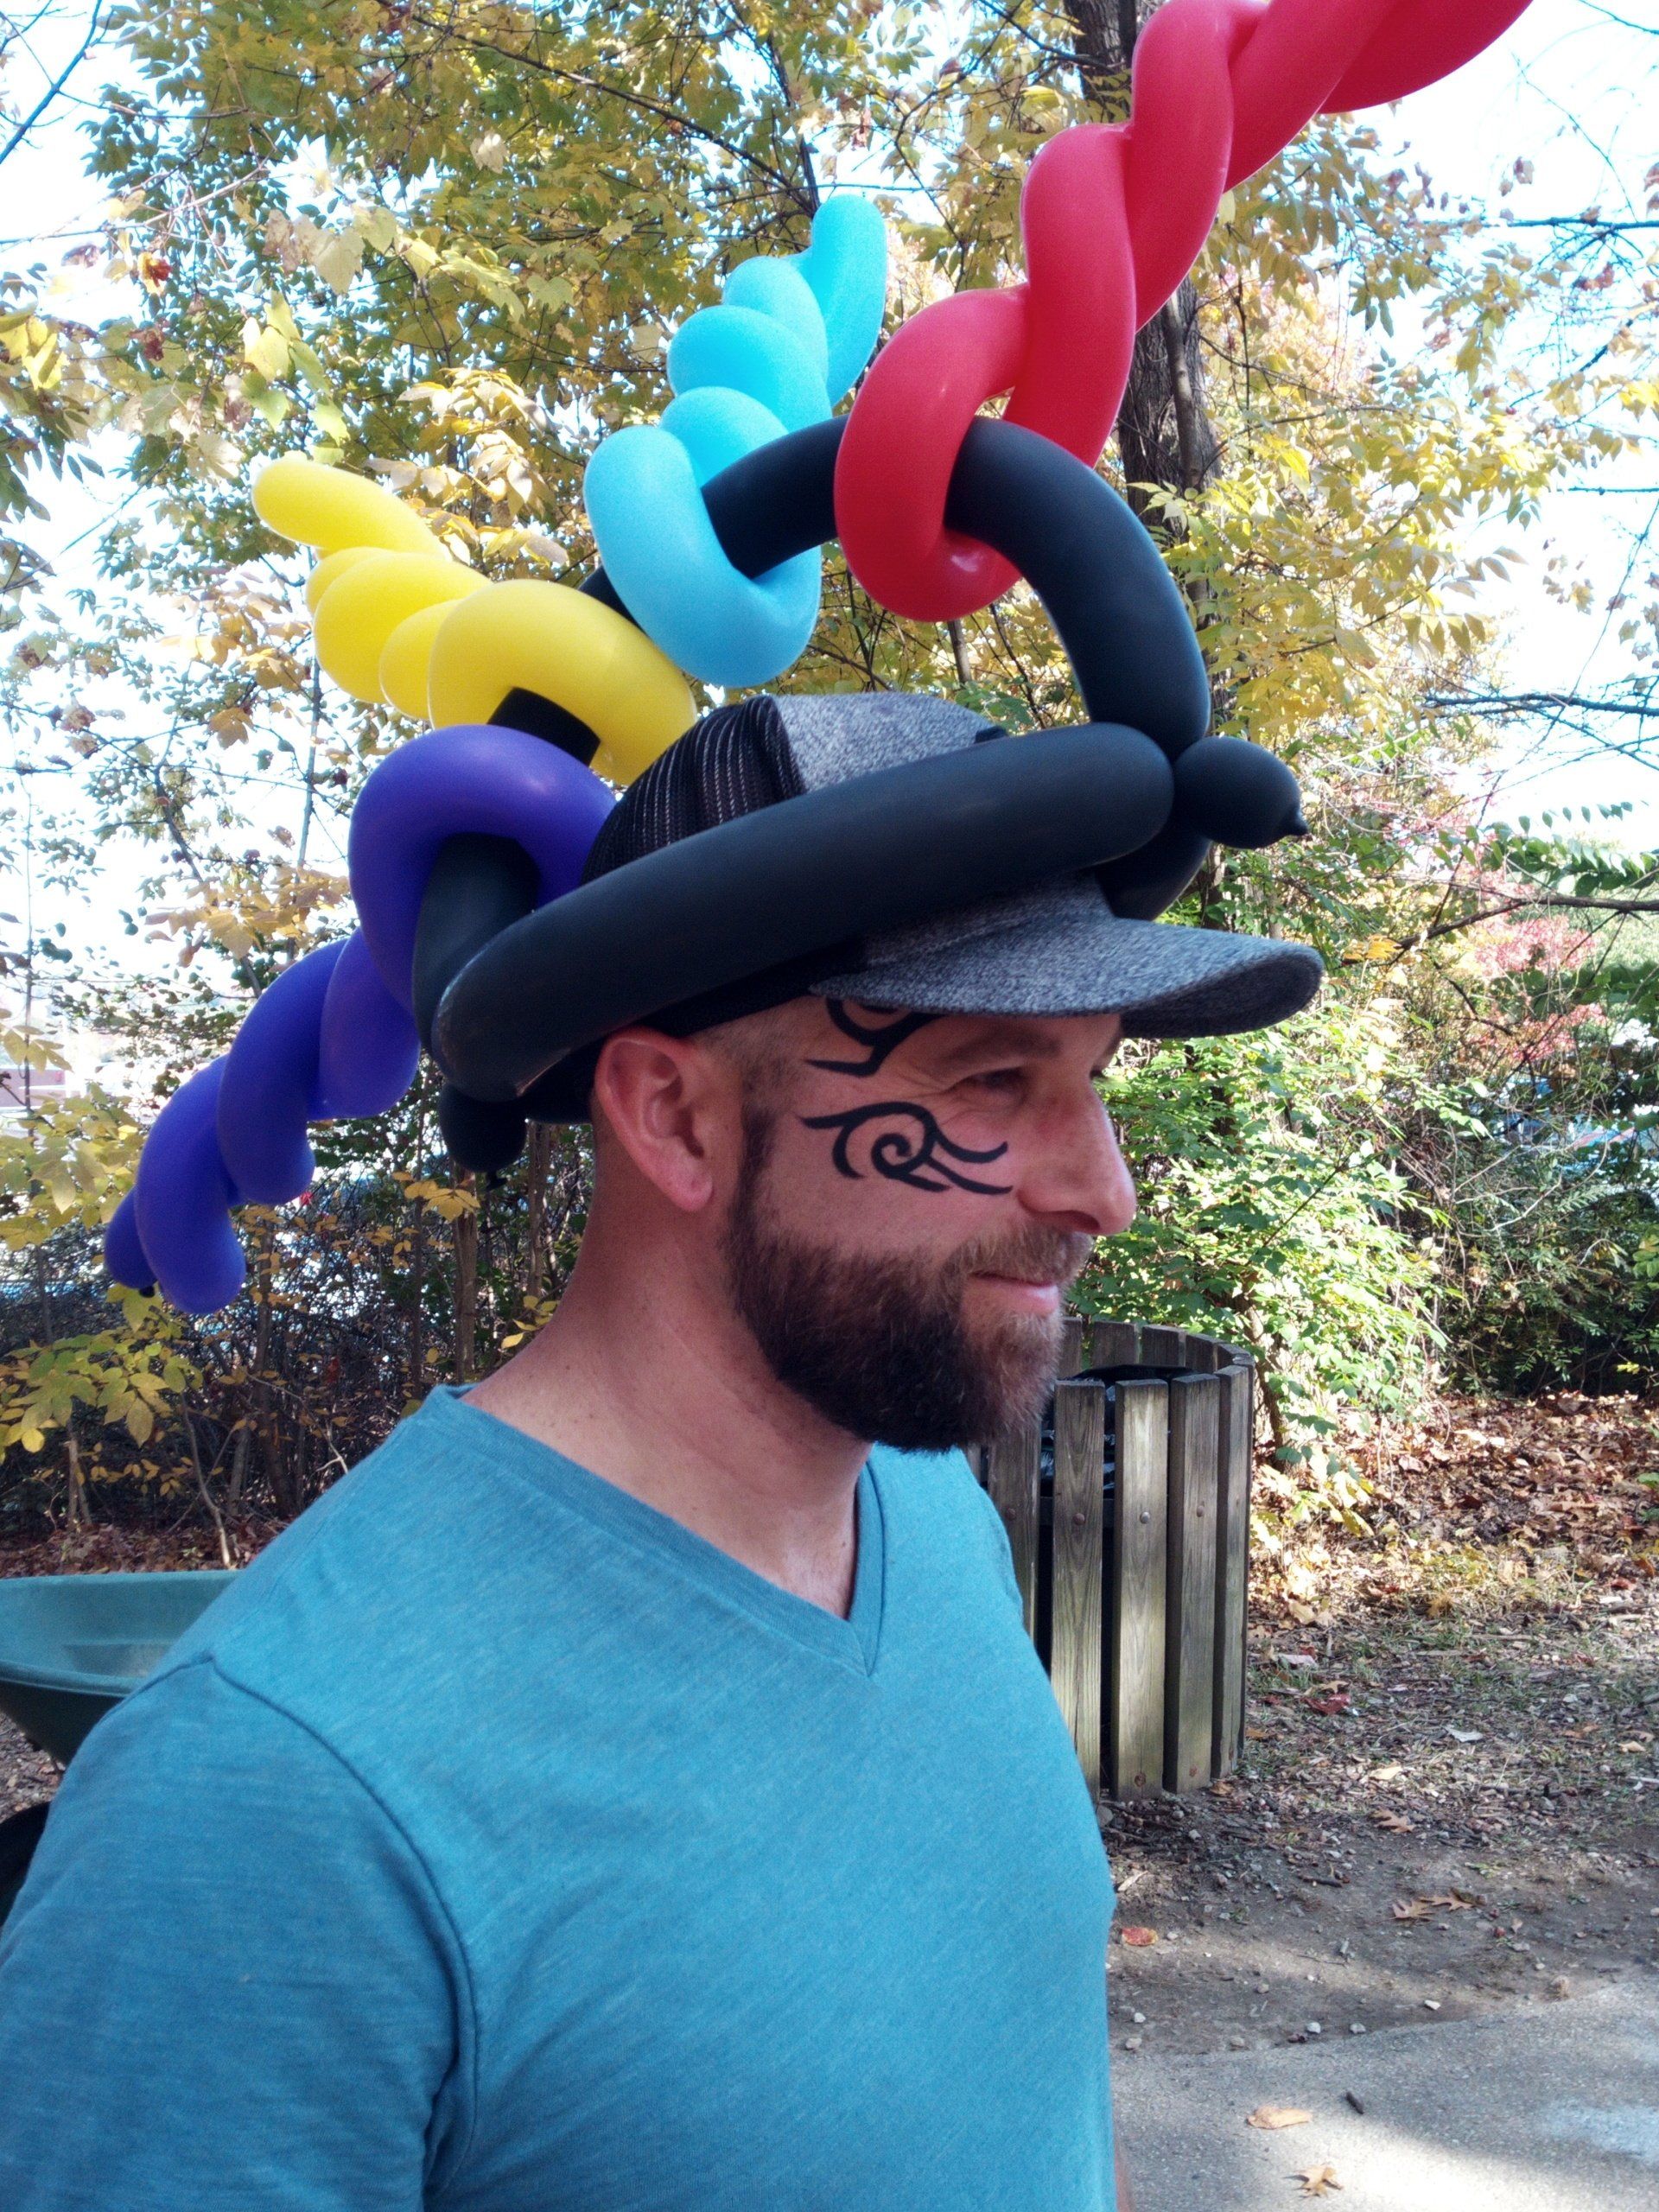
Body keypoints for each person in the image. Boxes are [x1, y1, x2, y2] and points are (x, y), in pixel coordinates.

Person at [0, 694, 1321, 2210]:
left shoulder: (917, 1502)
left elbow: (1023, 2105)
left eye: (1094, 1079)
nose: (1106, 1190)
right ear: (676, 1118)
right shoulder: (269, 1796)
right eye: (989, 1082)